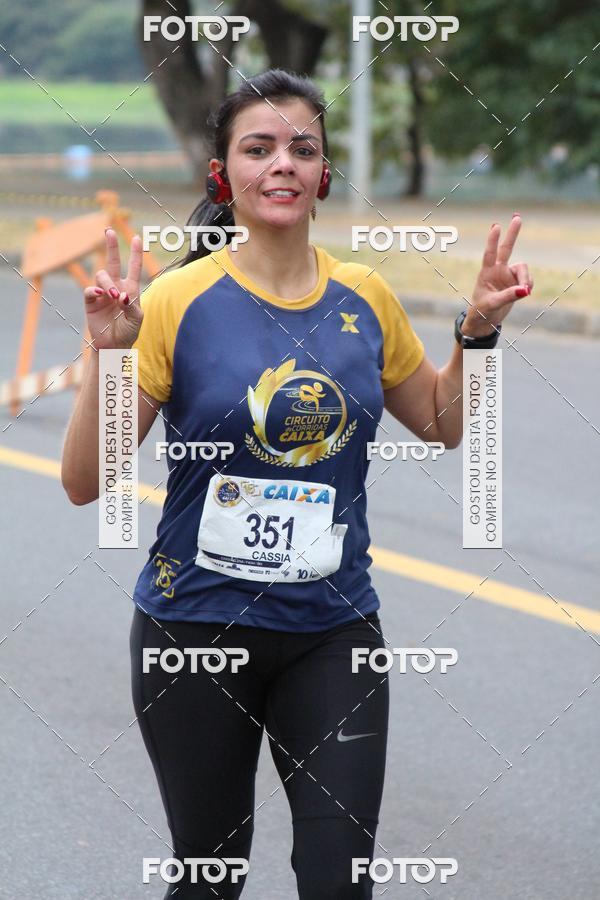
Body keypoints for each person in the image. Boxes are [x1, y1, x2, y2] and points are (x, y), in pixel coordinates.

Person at [61, 68, 532, 899]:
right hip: (195, 627)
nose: (282, 162)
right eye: (259, 148)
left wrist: (480, 334)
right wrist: (109, 353)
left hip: (333, 632)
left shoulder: (365, 295)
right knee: (211, 877)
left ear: (322, 175)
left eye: (302, 148)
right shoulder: (175, 300)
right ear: (224, 175)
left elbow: (441, 421)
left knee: (339, 880)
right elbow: (83, 481)